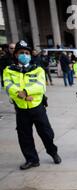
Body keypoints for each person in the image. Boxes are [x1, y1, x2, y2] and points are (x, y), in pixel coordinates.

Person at [2, 40, 61, 170]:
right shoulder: (9, 70)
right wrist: (20, 94)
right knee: (24, 136)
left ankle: (53, 152)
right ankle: (32, 159)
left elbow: (40, 86)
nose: (24, 55)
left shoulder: (37, 69)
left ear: (30, 55)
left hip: (37, 107)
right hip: (21, 108)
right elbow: (8, 85)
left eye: (27, 53)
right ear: (16, 55)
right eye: (21, 52)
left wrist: (27, 91)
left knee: (46, 133)